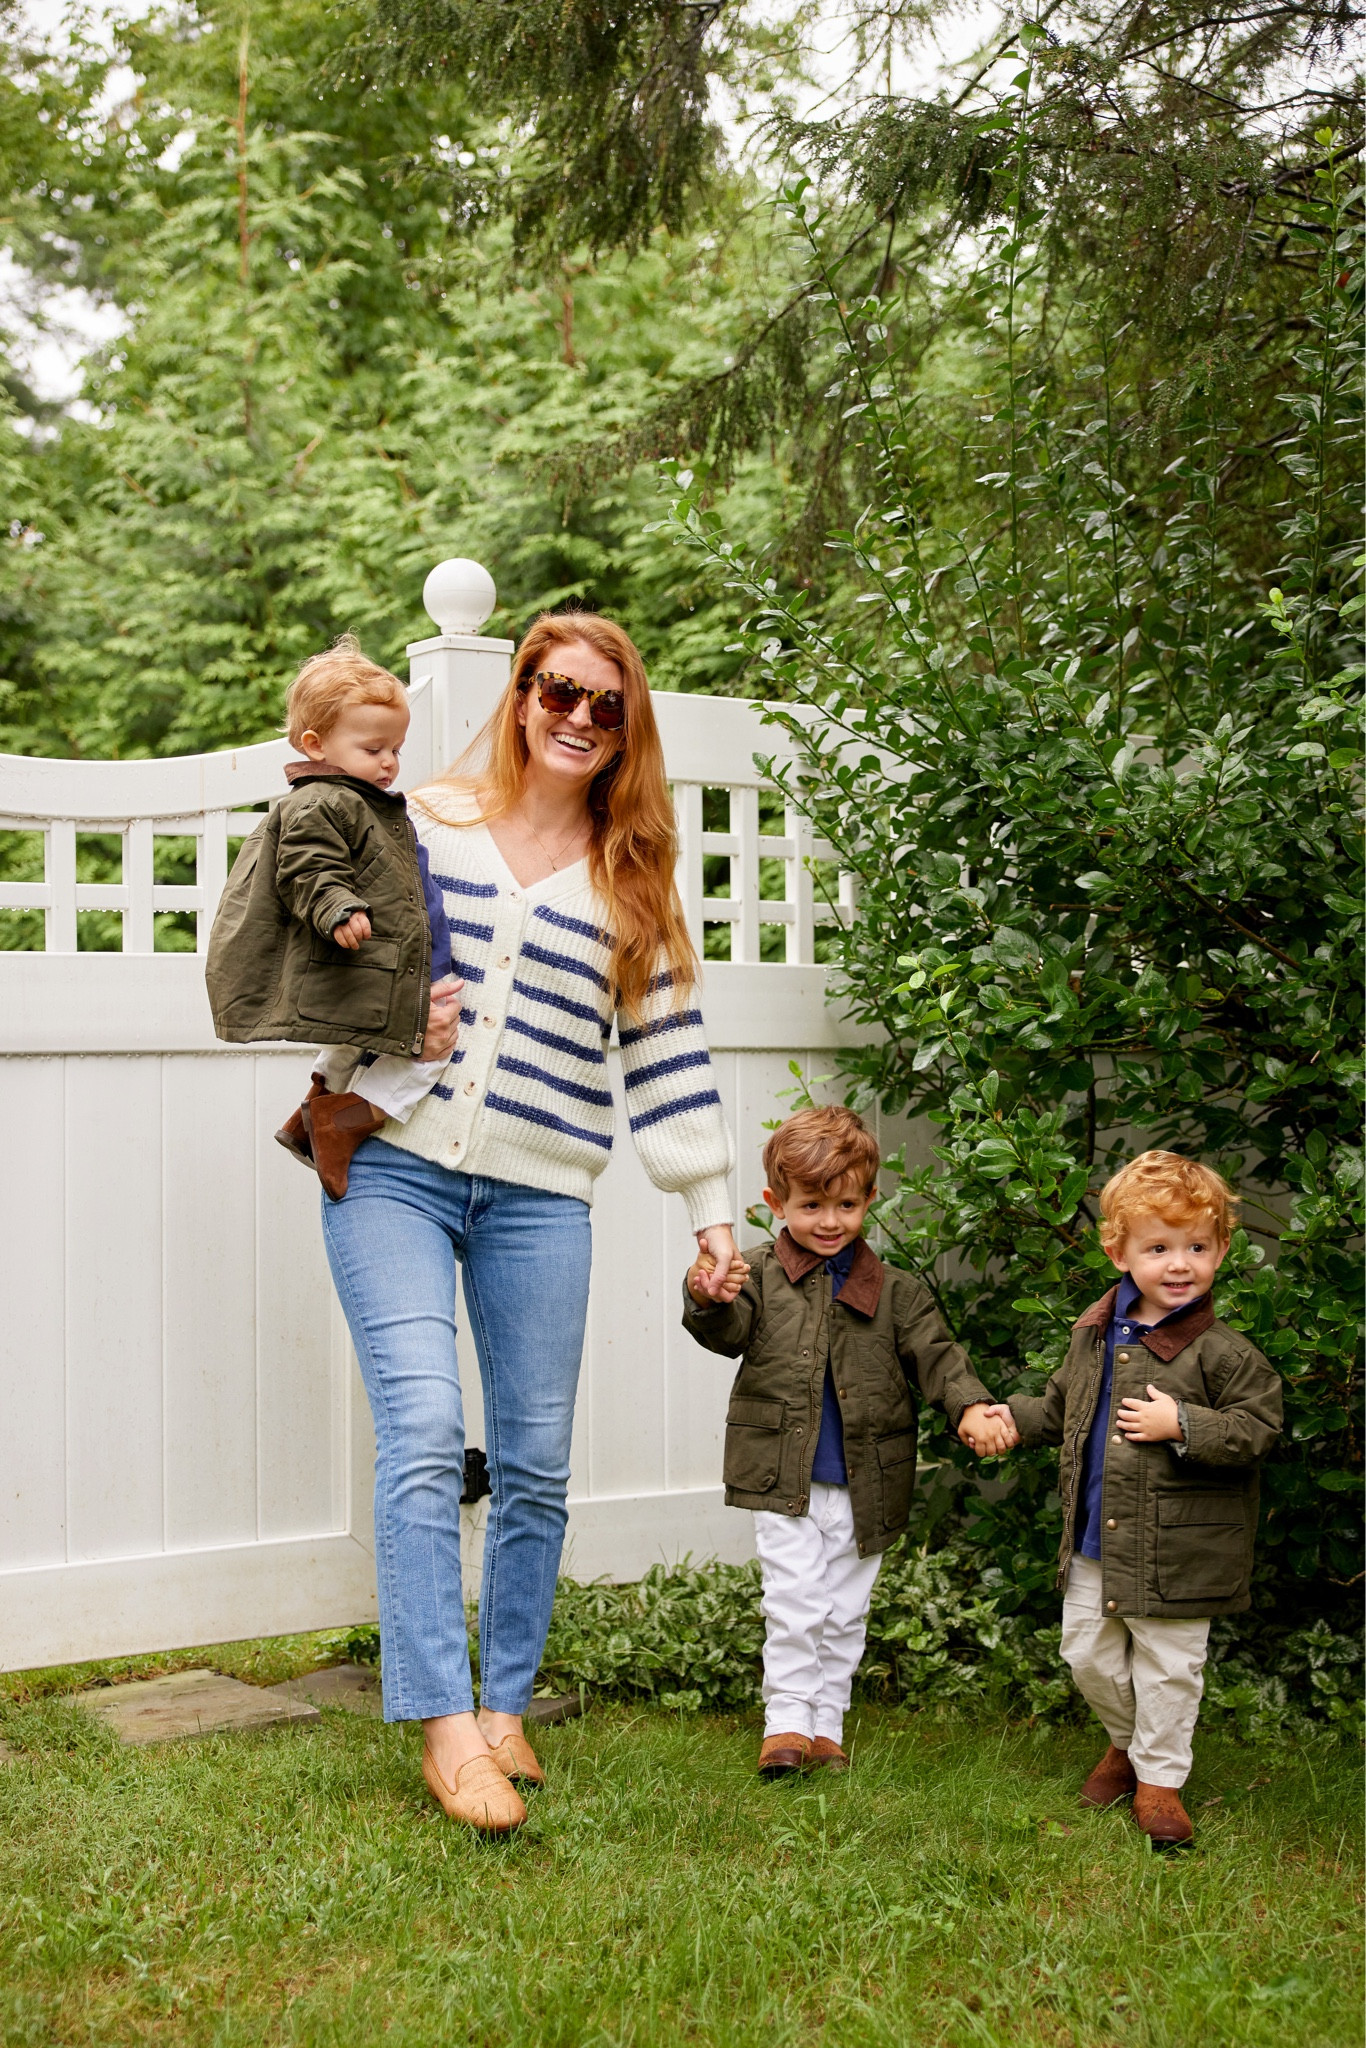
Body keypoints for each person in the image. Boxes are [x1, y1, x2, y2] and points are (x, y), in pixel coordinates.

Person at [318, 613, 739, 1833]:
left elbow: (666, 1052)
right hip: (391, 1164)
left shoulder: (632, 880)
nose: (579, 717)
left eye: (607, 705)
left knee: (537, 1460)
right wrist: (391, 1015)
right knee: (422, 1428)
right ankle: (444, 1725)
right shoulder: (421, 822)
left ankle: (505, 1706)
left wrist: (709, 1209)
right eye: (560, 690)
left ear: (626, 729)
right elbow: (313, 957)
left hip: (542, 1192)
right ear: (519, 694)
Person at [680, 1105, 1014, 1778]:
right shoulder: (757, 1274)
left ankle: (826, 1725)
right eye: (811, 1206)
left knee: (844, 1612)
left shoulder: (897, 1294)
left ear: (868, 1199)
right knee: (795, 1603)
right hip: (783, 1477)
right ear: (775, 1203)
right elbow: (727, 1333)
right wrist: (709, 1296)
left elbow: (939, 1357)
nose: (829, 1221)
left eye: (846, 1205)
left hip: (868, 1481)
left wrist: (972, 1406)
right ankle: (786, 1724)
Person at [993, 1150, 1283, 1848]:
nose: (1180, 1264)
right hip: (1098, 1539)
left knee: (1170, 1669)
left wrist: (1183, 1424)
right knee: (1086, 1654)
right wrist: (1008, 1420)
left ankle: (1159, 1783)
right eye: (1159, 1248)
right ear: (1118, 1252)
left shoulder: (1225, 1354)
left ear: (1221, 1251)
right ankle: (1127, 1744)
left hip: (1182, 1550)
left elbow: (1258, 1429)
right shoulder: (1092, 1335)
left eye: (1197, 1247)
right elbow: (1062, 1407)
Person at [206, 636, 463, 1197]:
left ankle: (314, 1107)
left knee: (356, 1036)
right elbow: (308, 866)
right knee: (433, 1049)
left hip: (396, 954)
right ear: (316, 744)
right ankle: (345, 1123)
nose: (390, 762)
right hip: (395, 957)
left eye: (396, 749)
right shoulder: (322, 801)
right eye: (374, 749)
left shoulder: (355, 797)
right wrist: (337, 908)